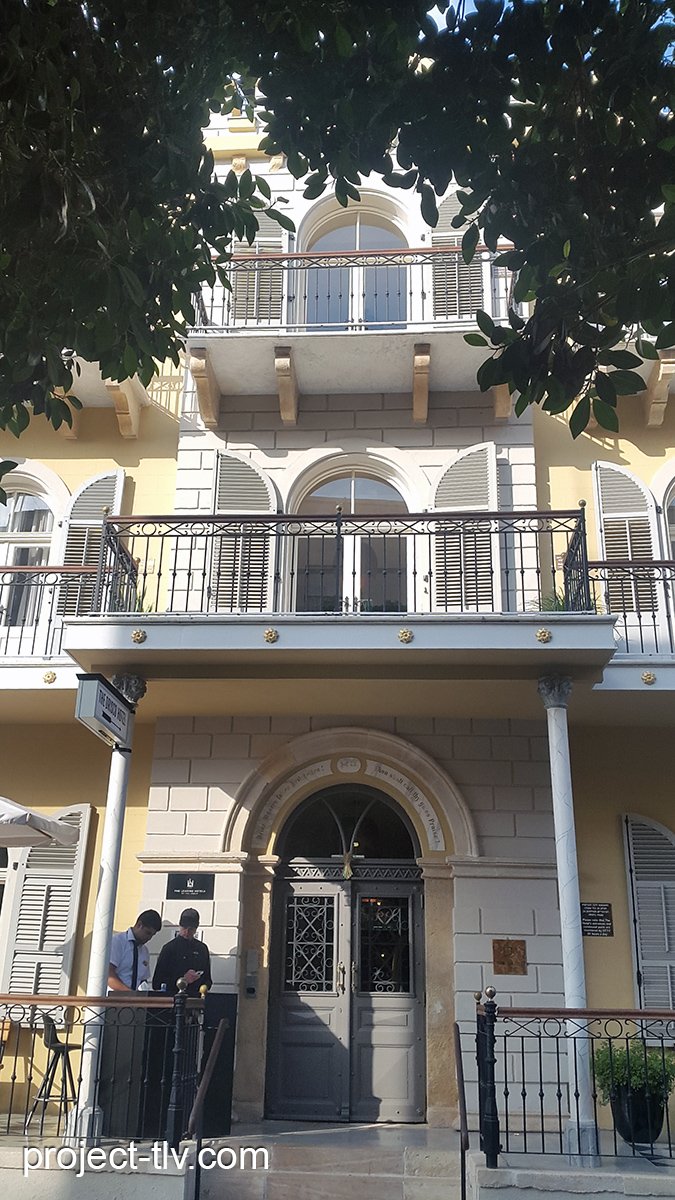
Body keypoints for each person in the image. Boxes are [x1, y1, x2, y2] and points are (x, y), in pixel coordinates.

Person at [152, 908, 212, 996]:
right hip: (172, 998)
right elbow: (157, 983)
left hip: (195, 998)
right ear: (179, 926)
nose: (187, 932)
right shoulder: (169, 948)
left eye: (190, 929)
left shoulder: (202, 949)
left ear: (196, 929)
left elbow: (208, 979)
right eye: (184, 928)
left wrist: (204, 986)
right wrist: (183, 979)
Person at [108, 909, 162, 993]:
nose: (149, 938)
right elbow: (108, 975)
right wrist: (130, 993)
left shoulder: (144, 951)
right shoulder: (117, 942)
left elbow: (142, 980)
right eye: (147, 933)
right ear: (139, 925)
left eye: (152, 935)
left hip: (135, 998)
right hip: (114, 996)